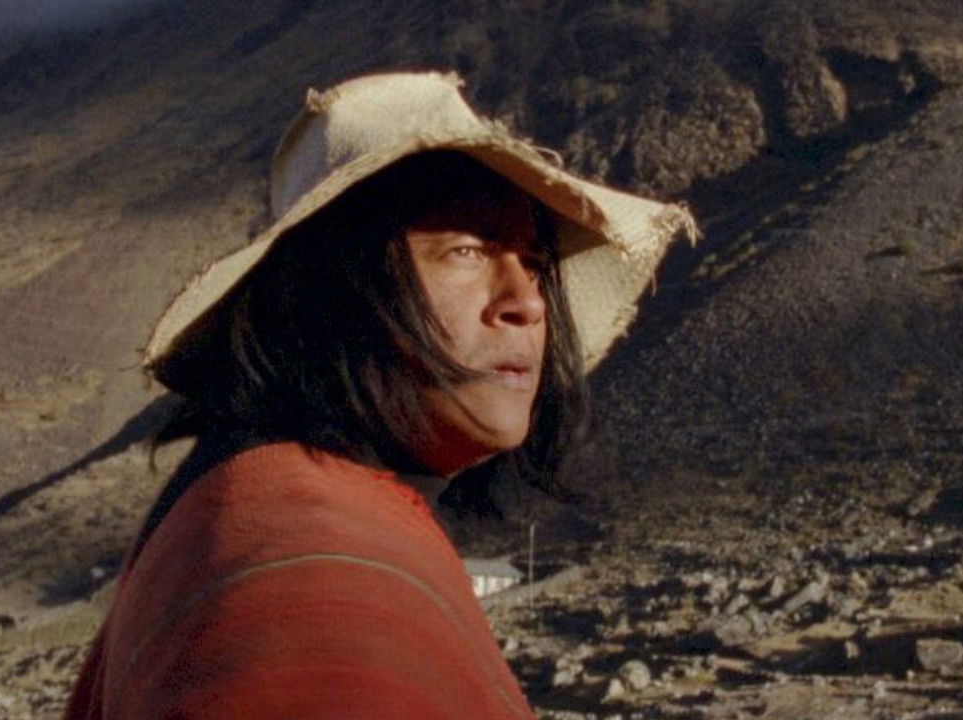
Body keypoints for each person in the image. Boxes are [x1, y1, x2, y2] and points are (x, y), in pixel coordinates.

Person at [64, 71, 696, 720]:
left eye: (534, 264)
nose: (528, 303)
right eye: (467, 250)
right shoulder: (314, 573)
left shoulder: (277, 502)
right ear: (332, 292)